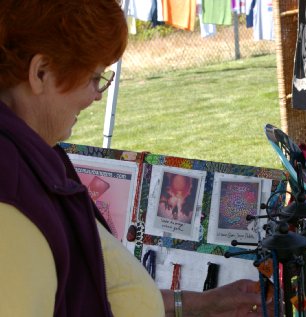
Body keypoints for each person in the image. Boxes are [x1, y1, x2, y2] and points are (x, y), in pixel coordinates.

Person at [0, 1, 273, 316]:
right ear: (40, 72)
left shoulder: (37, 157)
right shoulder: (12, 189)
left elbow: (94, 294)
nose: (97, 94)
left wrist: (203, 305)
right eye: (93, 77)